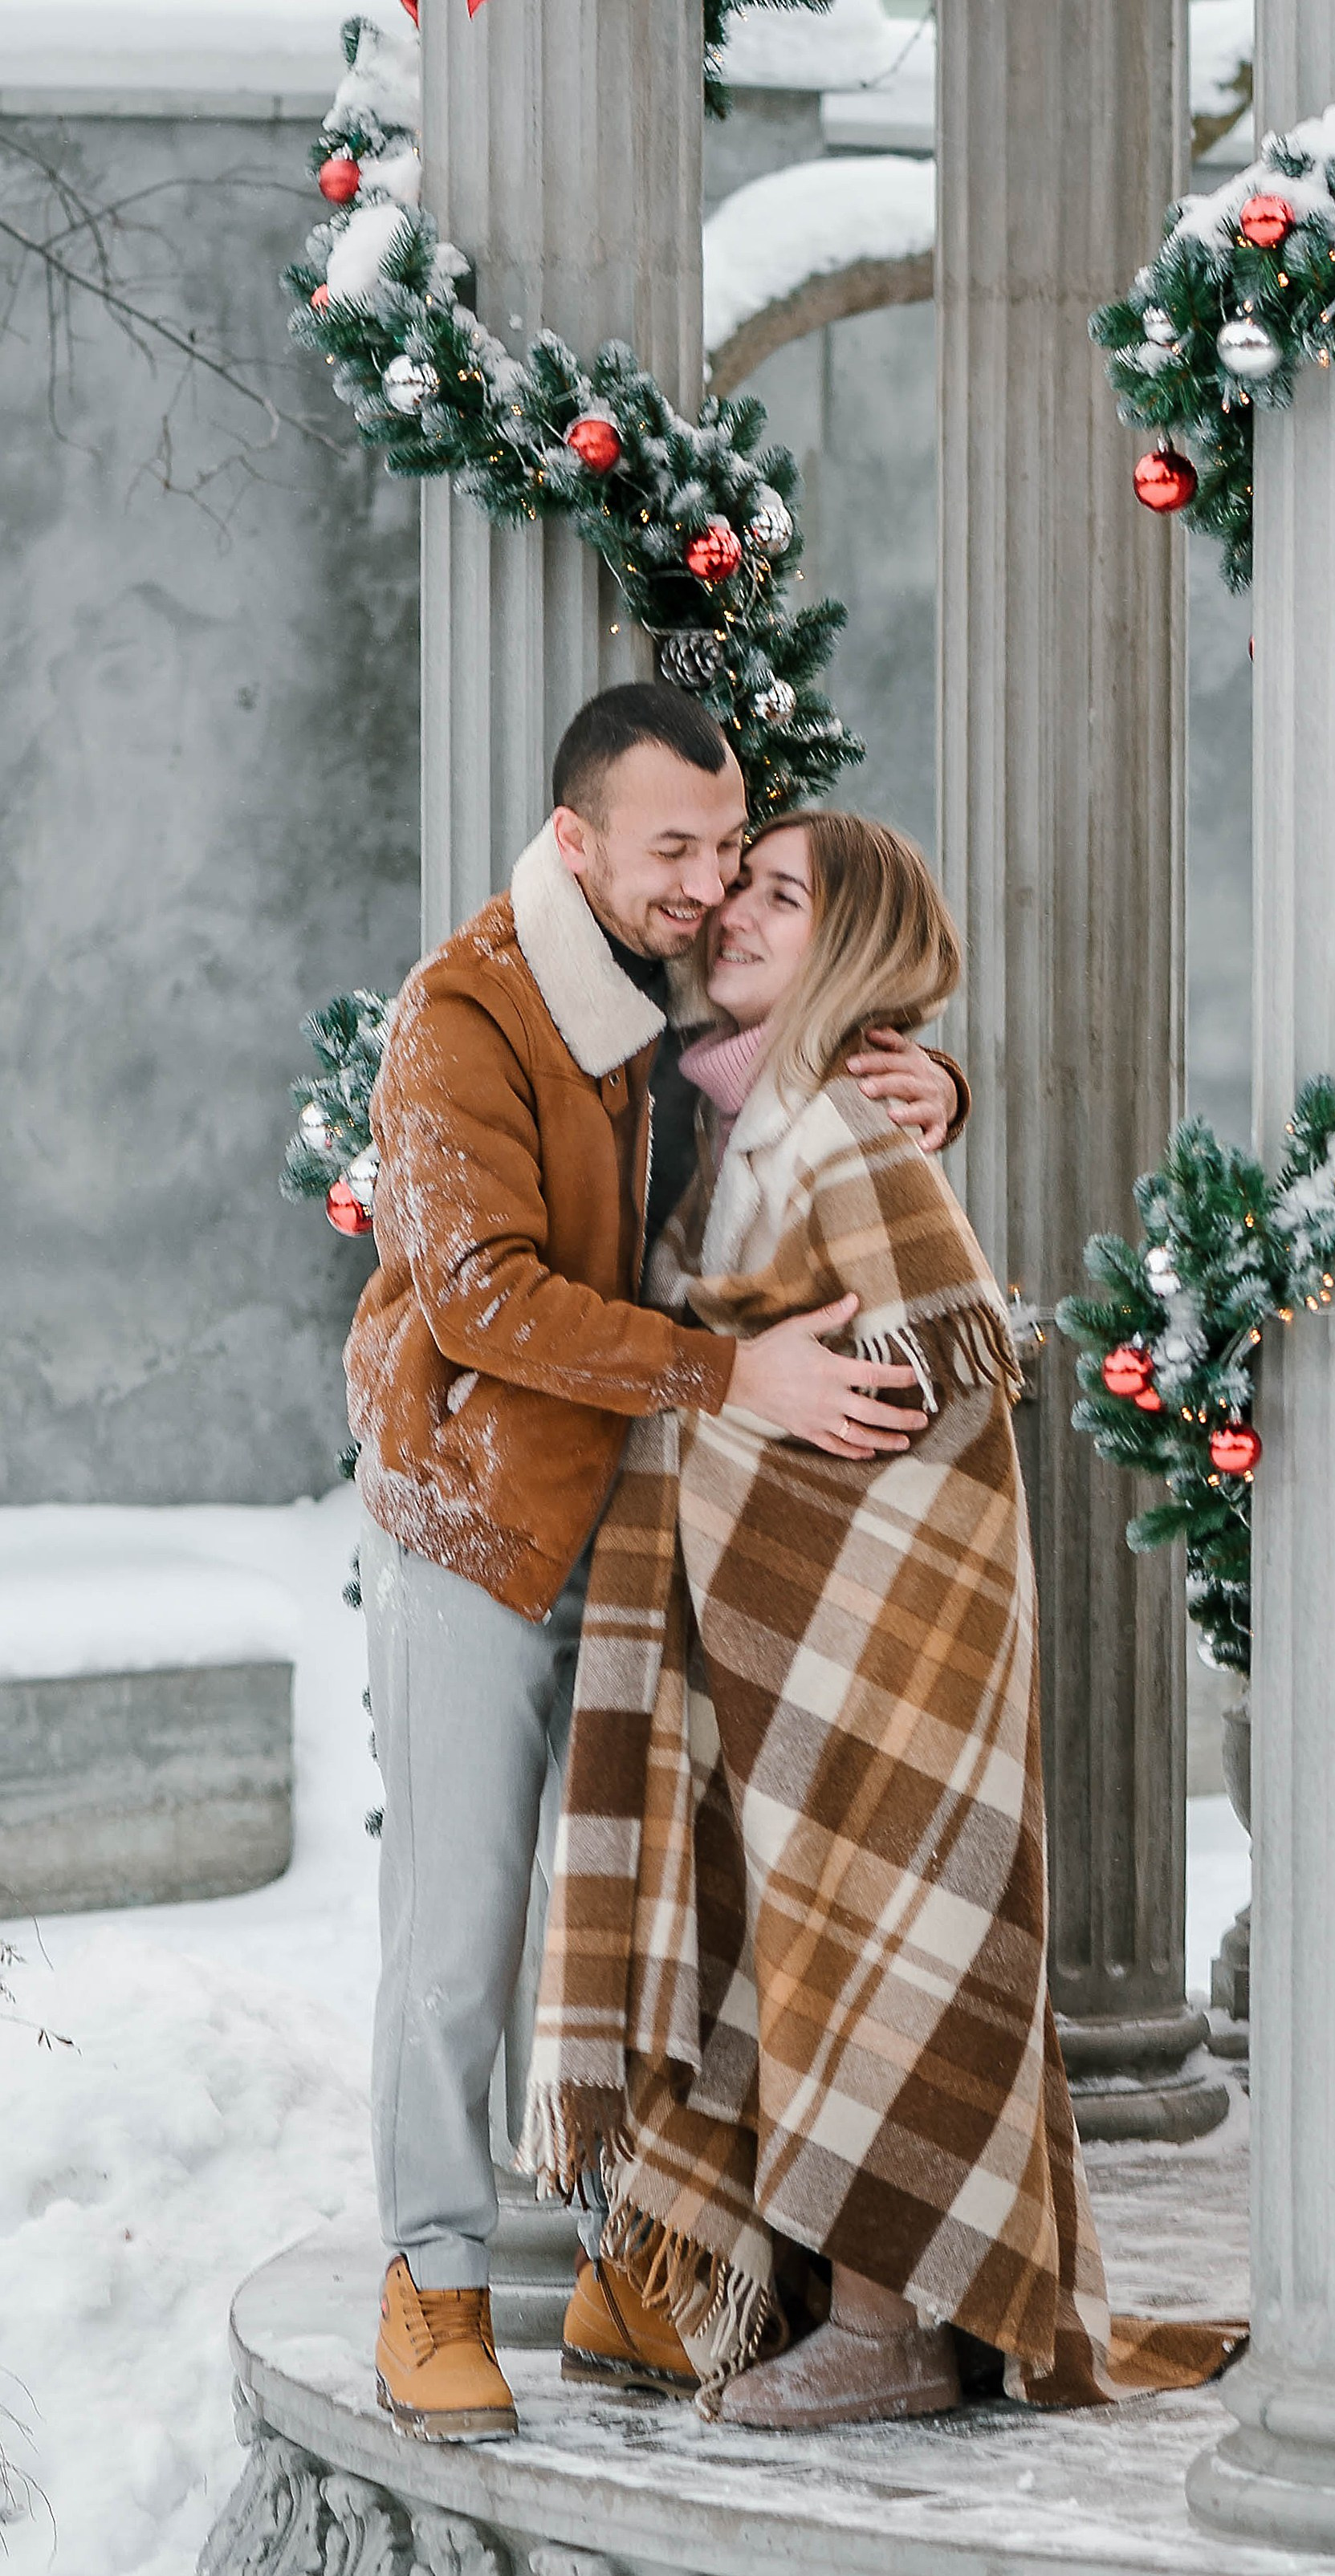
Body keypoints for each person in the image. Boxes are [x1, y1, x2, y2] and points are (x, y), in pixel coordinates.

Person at [524, 811, 1237, 2427]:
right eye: (742, 885)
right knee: (811, 1944)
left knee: (882, 1936)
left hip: (885, 1624)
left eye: (789, 898)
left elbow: (932, 1365)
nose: (742, 913)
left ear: (850, 951)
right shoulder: (744, 1103)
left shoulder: (835, 1127)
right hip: (787, 1623)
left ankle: (890, 2326)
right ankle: (792, 2290)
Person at [351, 686, 967, 2441]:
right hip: (482, 1520)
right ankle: (433, 2273)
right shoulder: (465, 1010)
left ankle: (643, 2260)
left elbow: (801, 1088)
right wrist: (729, 1374)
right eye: (673, 852)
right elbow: (478, 1295)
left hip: (661, 1529)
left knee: (641, 1917)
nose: (709, 888)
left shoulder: (691, 982)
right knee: (463, 1927)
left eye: (726, 845)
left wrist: (932, 1074)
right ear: (581, 845)